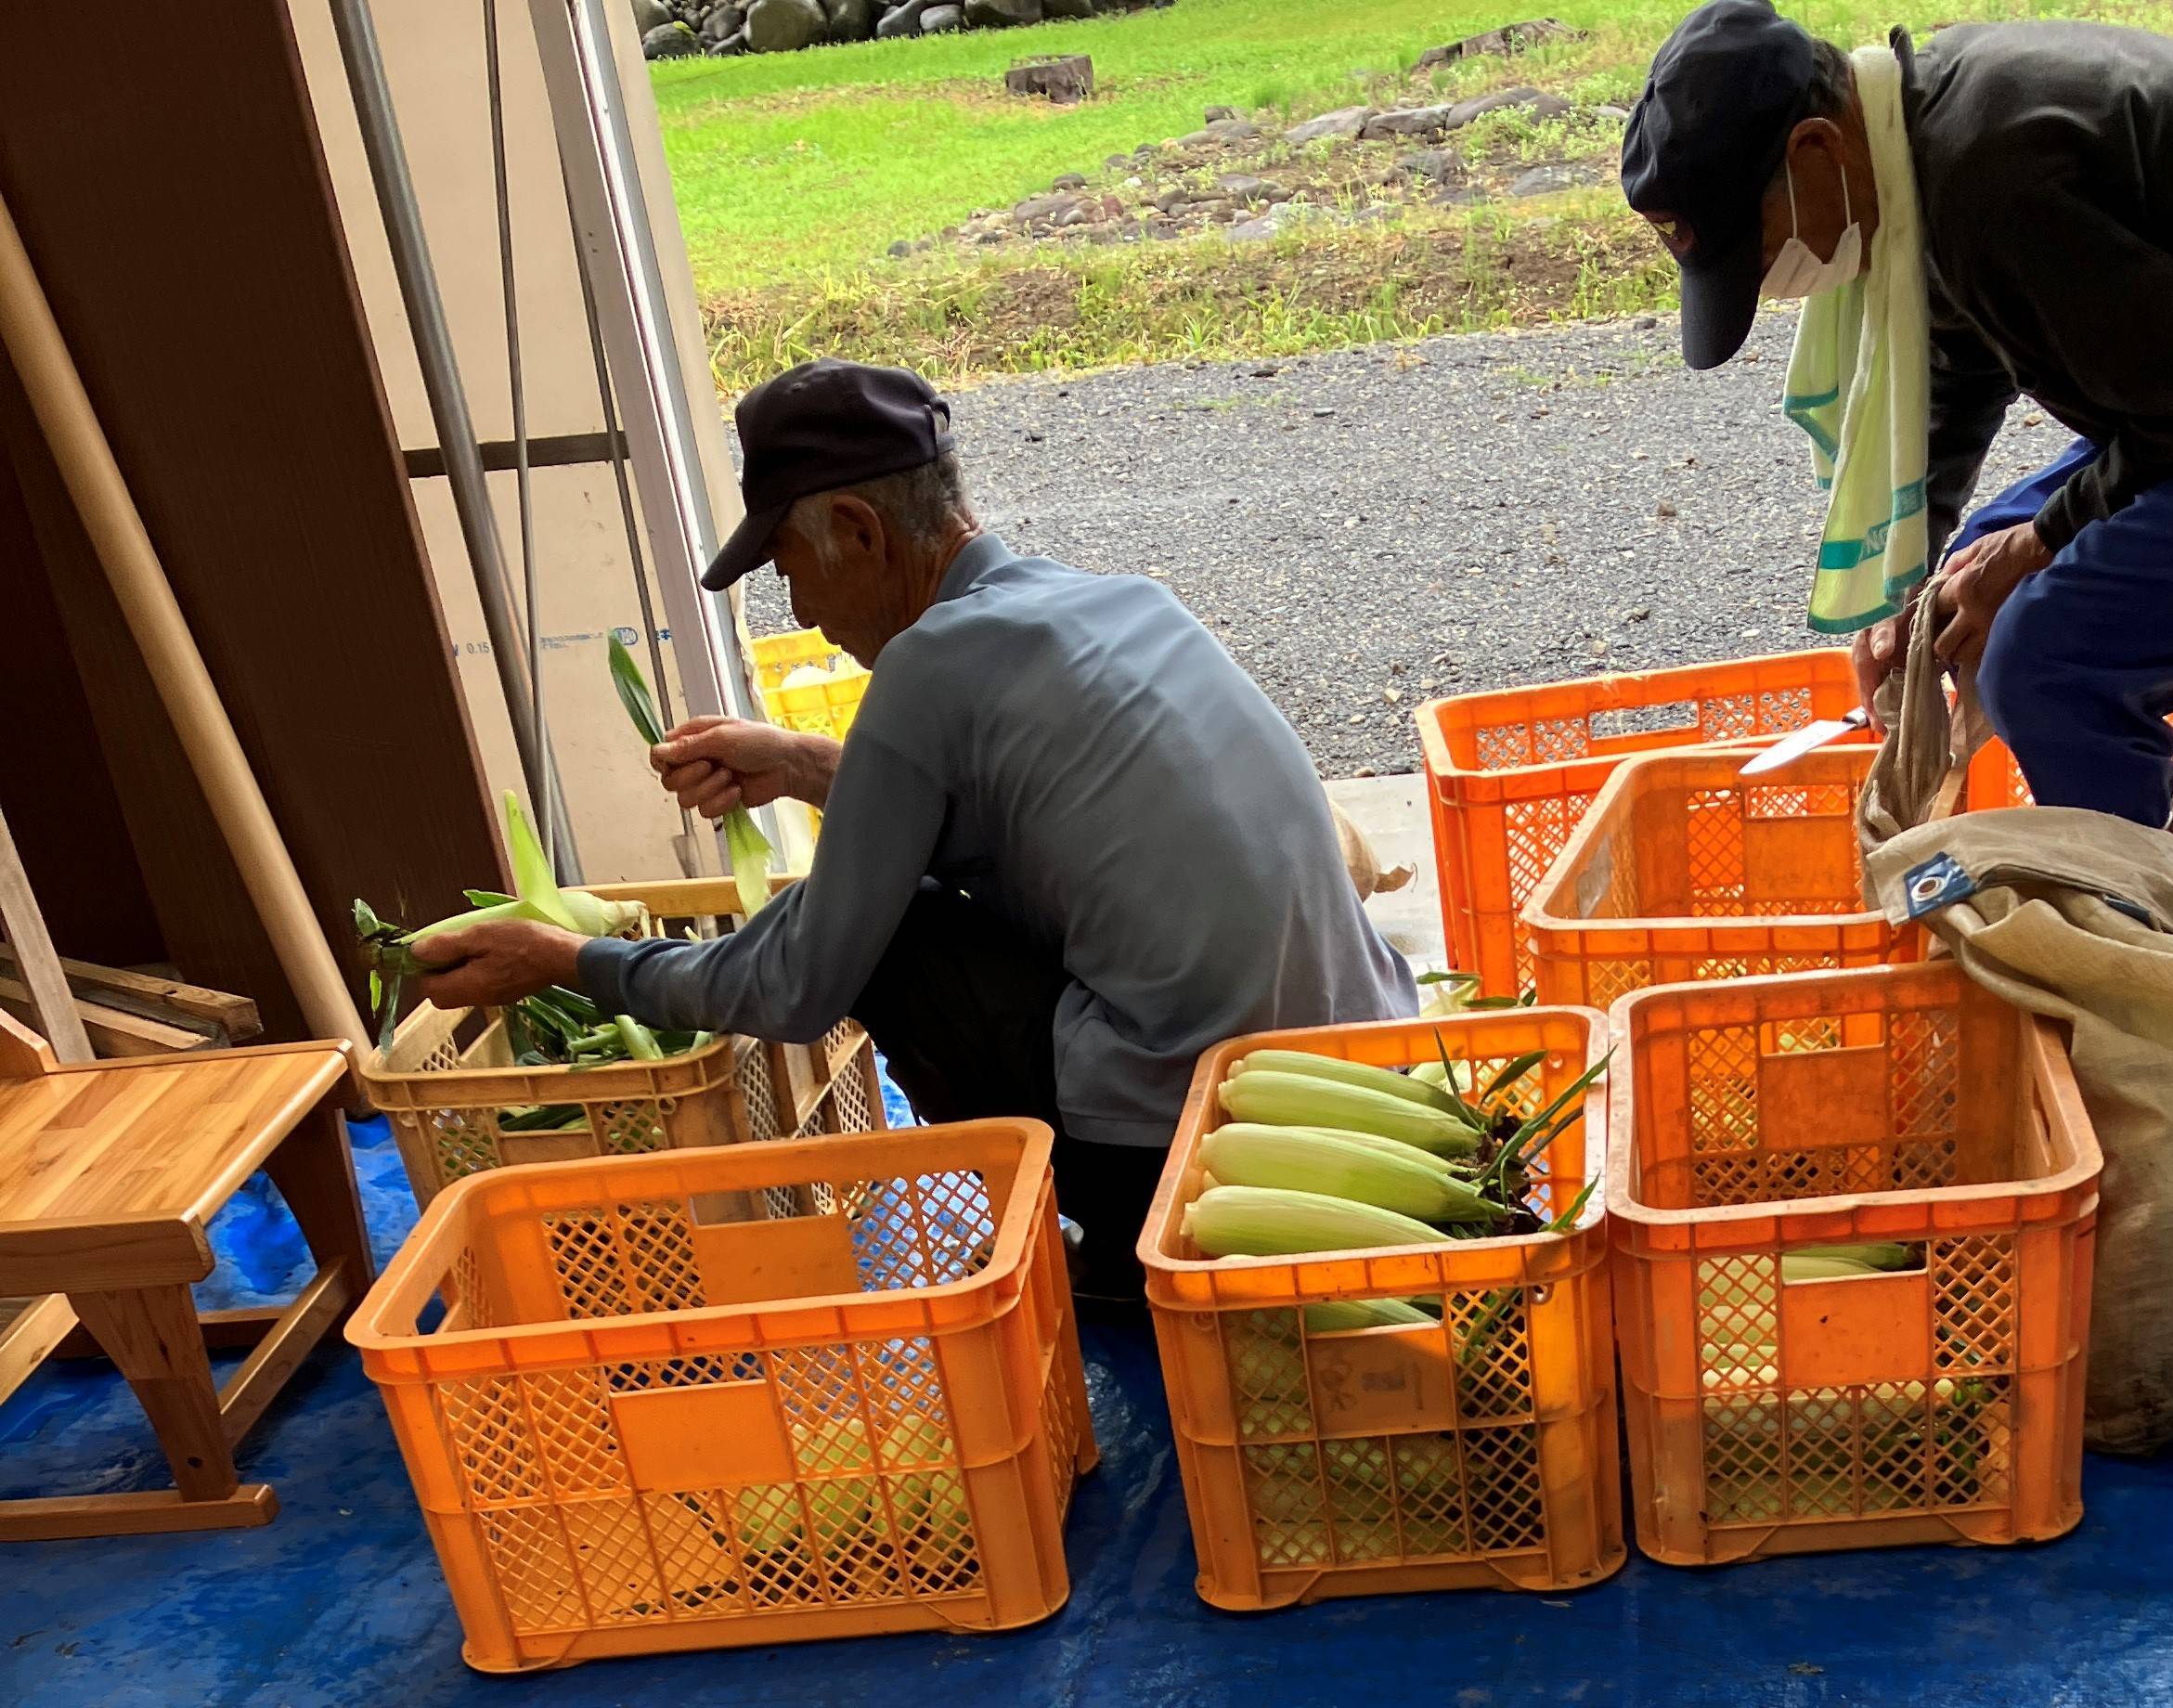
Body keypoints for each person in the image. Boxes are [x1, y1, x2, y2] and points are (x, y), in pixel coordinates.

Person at [414, 358, 1419, 1296]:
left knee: (897, 937)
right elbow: (1022, 827)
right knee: (943, 905)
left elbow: (798, 985)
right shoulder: (1115, 604)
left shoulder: (926, 671)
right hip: (1377, 1083)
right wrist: (807, 765)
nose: (802, 611)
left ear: (859, 528)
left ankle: (1110, 1243)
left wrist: (570, 959)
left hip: (1204, 1149)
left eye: (788, 570)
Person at [1622, 1, 2173, 827]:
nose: (1774, 273)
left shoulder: (1989, 176)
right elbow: (1960, 360)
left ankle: (2147, 941)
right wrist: (1904, 584)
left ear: (1815, 152)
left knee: (2045, 661)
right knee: (1969, 584)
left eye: (1758, 245)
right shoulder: (1918, 125)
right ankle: (2123, 856)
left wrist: (2042, 543)